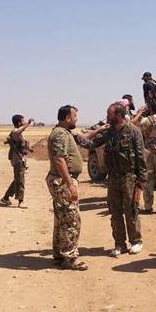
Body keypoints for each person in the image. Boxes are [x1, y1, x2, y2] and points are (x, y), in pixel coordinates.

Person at [78, 103, 147, 257]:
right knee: (115, 212)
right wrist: (76, 137)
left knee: (131, 210)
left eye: (109, 114)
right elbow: (92, 144)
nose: (107, 117)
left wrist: (142, 179)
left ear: (119, 116)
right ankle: (120, 244)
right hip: (113, 178)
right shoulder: (109, 132)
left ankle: (136, 241)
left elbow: (141, 155)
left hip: (129, 178)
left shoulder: (133, 131)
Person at [47, 105, 106, 271]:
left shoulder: (65, 132)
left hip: (62, 181)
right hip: (62, 181)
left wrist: (100, 130)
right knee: (71, 220)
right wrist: (70, 184)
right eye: (75, 116)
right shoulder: (60, 134)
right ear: (67, 118)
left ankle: (60, 255)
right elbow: (59, 160)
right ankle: (69, 258)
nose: (76, 119)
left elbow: (84, 138)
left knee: (62, 219)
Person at [1, 114, 34, 207]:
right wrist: (28, 123)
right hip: (18, 159)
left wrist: (29, 149)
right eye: (23, 121)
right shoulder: (16, 131)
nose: (24, 122)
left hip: (21, 158)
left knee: (18, 179)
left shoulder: (18, 133)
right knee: (20, 181)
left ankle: (6, 198)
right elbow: (21, 130)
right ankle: (20, 201)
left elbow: (21, 144)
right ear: (19, 123)